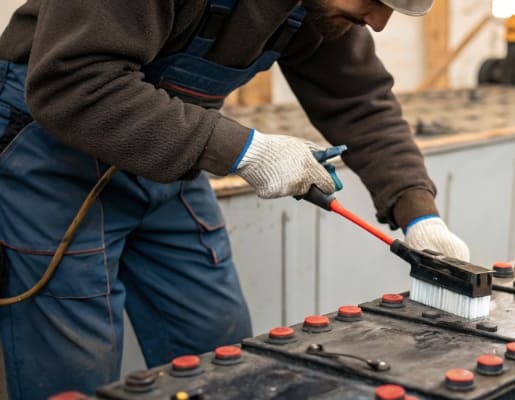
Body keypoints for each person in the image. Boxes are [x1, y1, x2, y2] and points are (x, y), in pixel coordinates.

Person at [0, 0, 470, 398]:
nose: (379, 21)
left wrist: (419, 214)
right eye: (374, 0)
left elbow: (360, 102)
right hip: (54, 151)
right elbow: (74, 82)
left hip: (172, 156)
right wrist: (246, 150)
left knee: (219, 354)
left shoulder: (320, 9)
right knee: (75, 370)